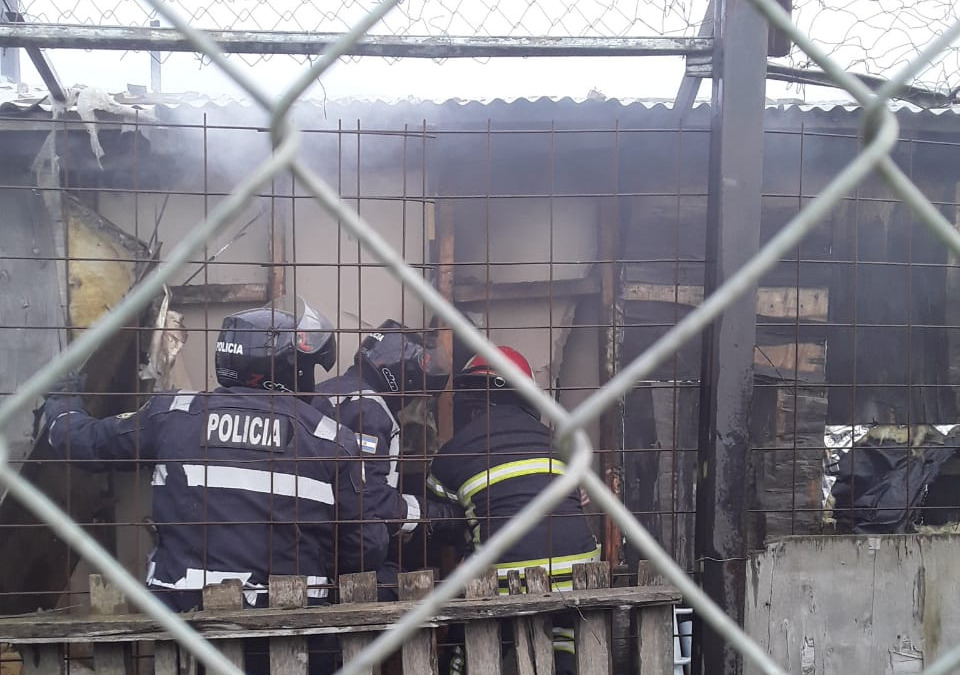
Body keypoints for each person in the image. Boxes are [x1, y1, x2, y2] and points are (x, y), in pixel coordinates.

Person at [41, 302, 389, 674]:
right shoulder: (332, 439)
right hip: (295, 634)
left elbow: (85, 443)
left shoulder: (173, 413)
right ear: (290, 367)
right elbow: (365, 546)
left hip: (188, 630)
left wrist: (62, 404)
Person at [427, 346, 600, 675]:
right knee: (564, 636)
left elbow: (439, 516)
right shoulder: (560, 442)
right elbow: (578, 497)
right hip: (580, 574)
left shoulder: (452, 453)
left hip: (504, 579)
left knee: (468, 637)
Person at [312, 319, 463, 599]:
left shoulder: (326, 392)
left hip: (309, 546)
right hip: (338, 562)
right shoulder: (368, 409)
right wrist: (443, 517)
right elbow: (371, 503)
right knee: (402, 587)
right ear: (404, 373)